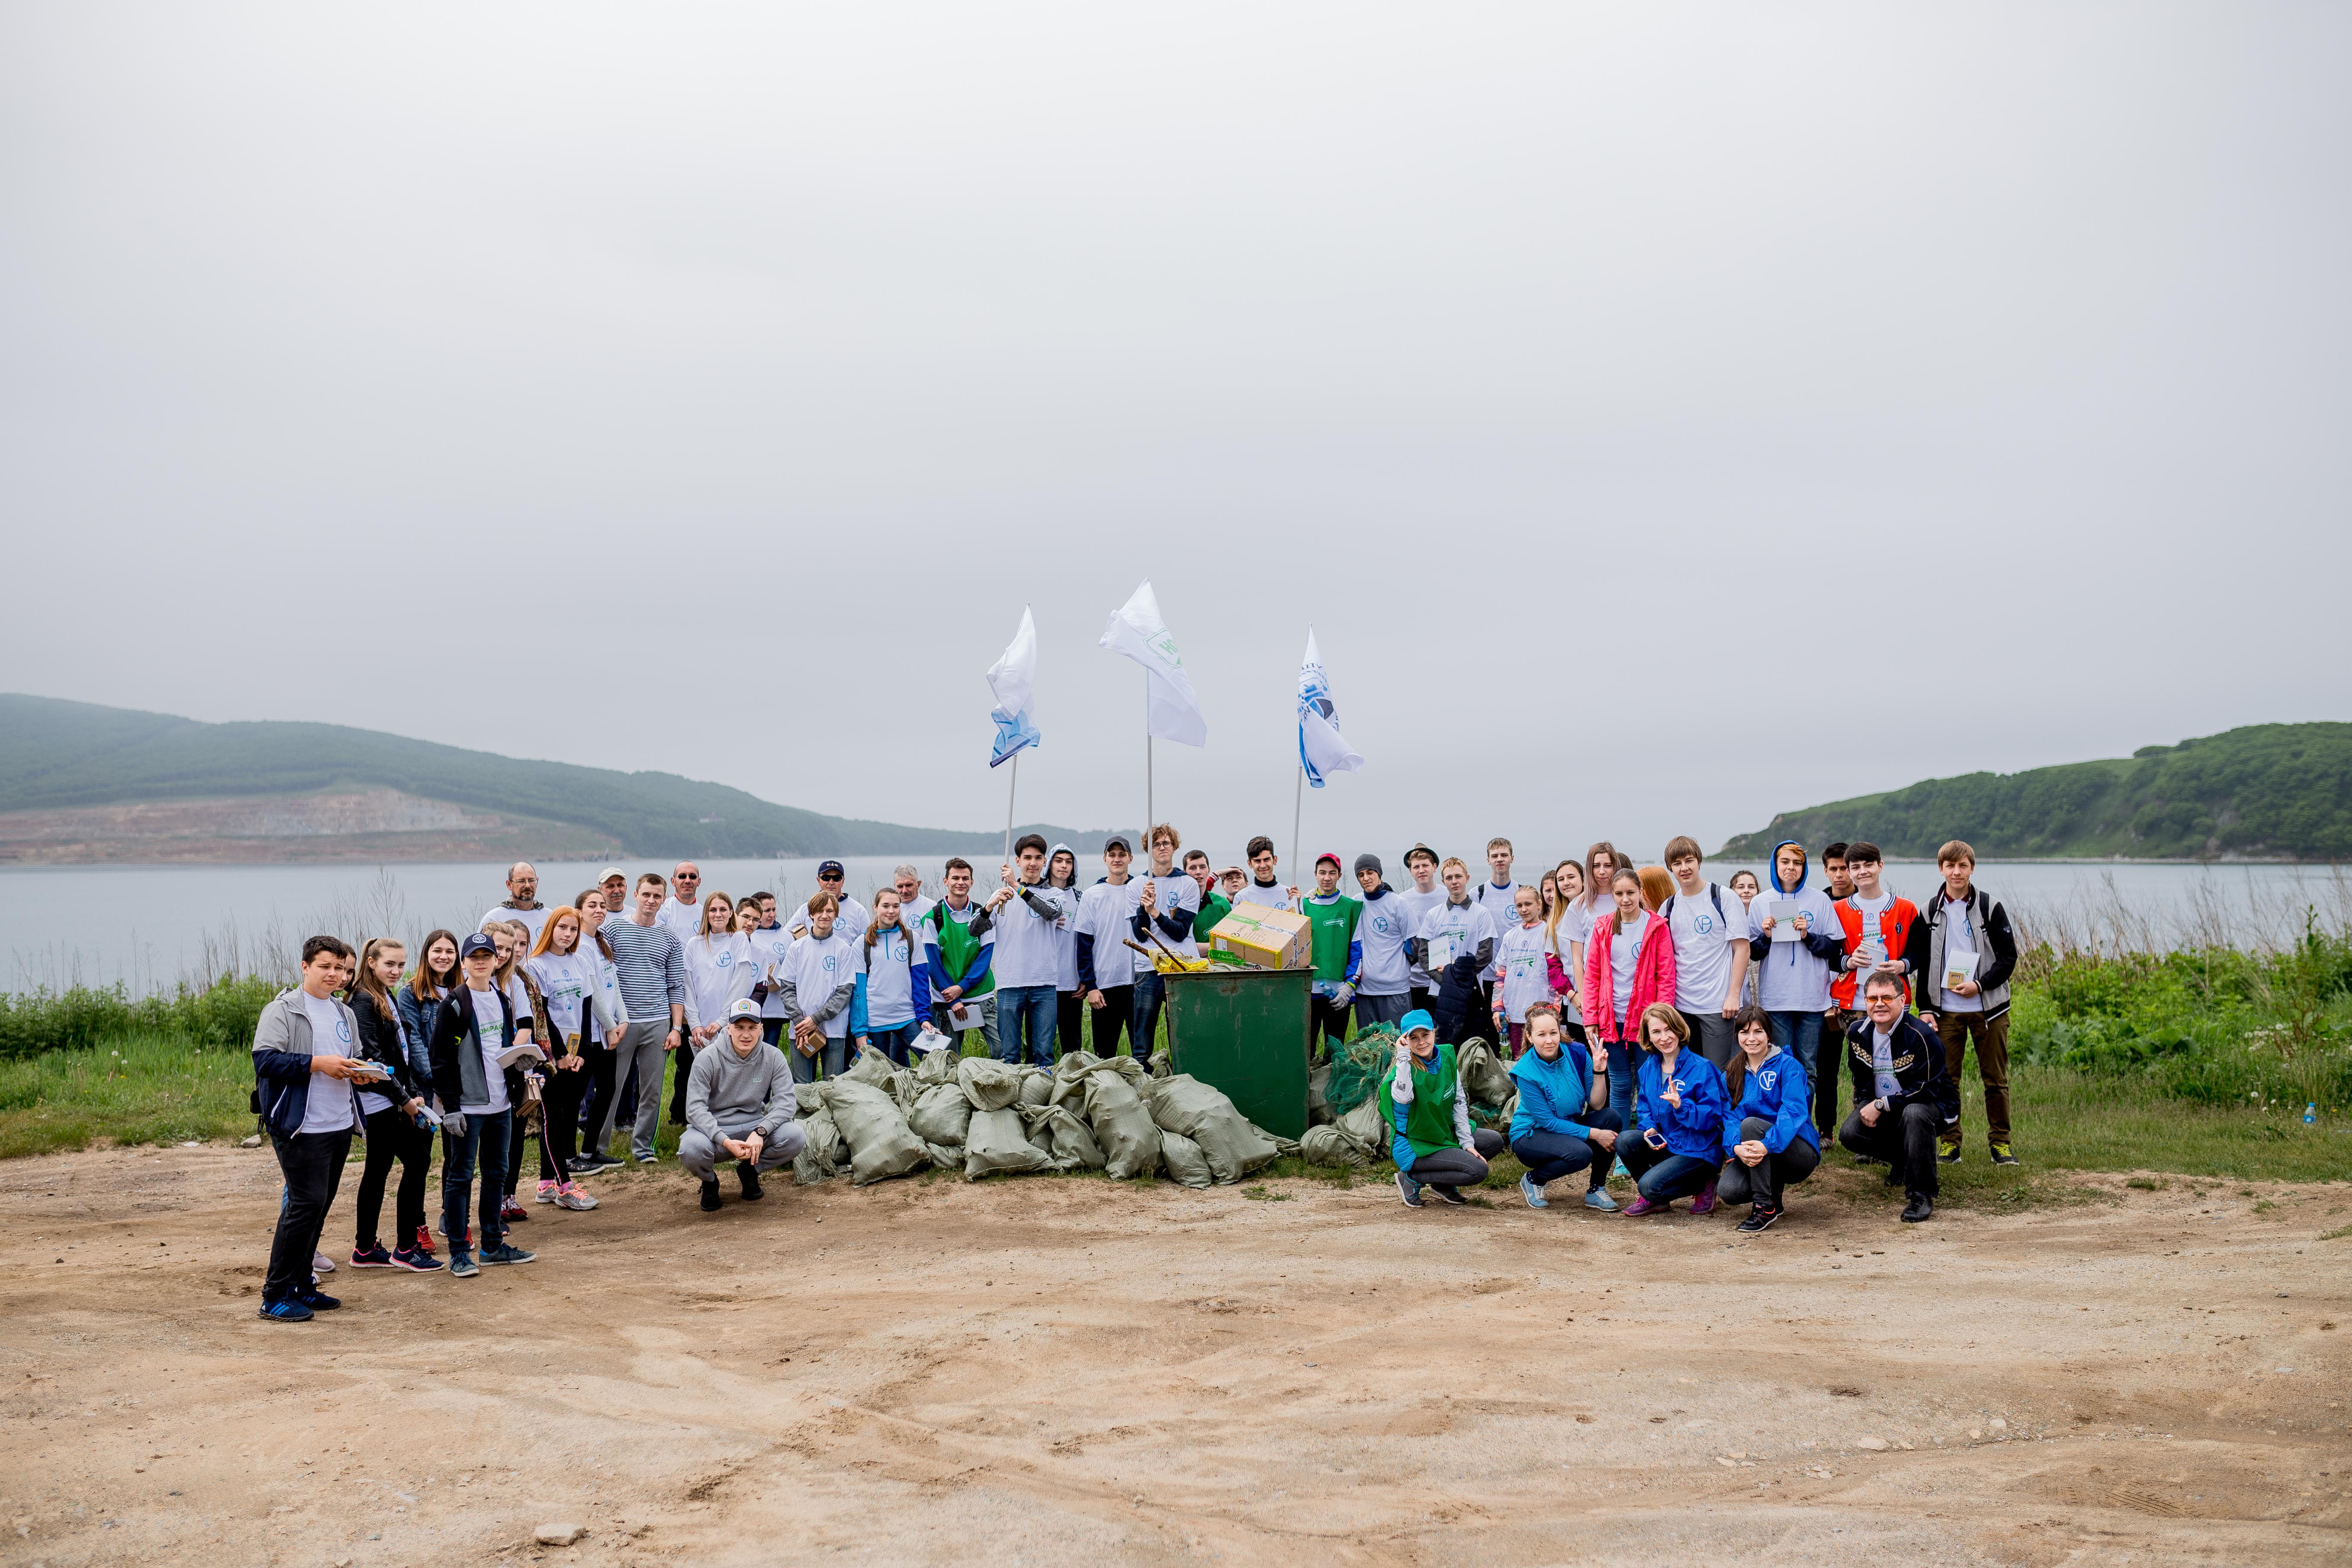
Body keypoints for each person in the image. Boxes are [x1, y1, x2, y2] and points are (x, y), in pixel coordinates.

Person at [250, 936, 368, 1320]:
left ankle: (303, 1285)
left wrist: (362, 1073)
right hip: (299, 1125)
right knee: (304, 1206)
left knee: (318, 1208)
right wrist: (319, 1064)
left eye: (341, 968)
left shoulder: (344, 1012)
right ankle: (274, 1293)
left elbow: (351, 1060)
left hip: (336, 1123)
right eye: (326, 967)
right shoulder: (282, 1010)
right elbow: (266, 1062)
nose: (334, 974)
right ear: (305, 967)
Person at [427, 933, 540, 1277]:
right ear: (463, 963)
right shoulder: (455, 1004)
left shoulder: (503, 999)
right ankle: (460, 1252)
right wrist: (452, 1107)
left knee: (496, 1175)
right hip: (469, 1106)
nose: (481, 962)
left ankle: (492, 1246)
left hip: (501, 1104)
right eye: (473, 957)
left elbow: (503, 1046)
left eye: (487, 956)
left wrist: (519, 1063)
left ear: (496, 961)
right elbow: (441, 1058)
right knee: (460, 1177)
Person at [1919, 840, 2021, 1166]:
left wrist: (1979, 984)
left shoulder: (1990, 907)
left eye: (1962, 865)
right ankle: (1950, 1143)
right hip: (1946, 1011)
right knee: (1946, 1082)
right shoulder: (1928, 910)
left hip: (1988, 1008)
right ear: (1941, 869)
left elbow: (2008, 958)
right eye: (1950, 866)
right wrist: (1925, 1008)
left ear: (1971, 868)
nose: (1956, 871)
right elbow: (1921, 962)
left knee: (1995, 1079)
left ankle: (2000, 1144)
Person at [346, 937, 440, 1270]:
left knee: (380, 1170)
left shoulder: (385, 995)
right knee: (416, 1160)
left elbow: (400, 1056)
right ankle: (405, 1248)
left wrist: (412, 1093)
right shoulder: (363, 1000)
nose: (397, 971)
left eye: (401, 965)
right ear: (371, 962)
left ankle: (366, 1248)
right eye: (389, 964)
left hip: (392, 1098)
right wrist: (405, 1101)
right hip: (377, 1102)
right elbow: (374, 1060)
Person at [1837, 971, 1959, 1223]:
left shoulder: (1922, 1036)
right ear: (1865, 1001)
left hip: (1933, 1107)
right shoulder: (1857, 1033)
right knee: (1850, 1133)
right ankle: (1903, 1161)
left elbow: (1927, 1090)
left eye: (1887, 998)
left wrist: (1882, 1104)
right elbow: (1859, 1077)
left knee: (1914, 1113)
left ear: (1902, 1000)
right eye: (1873, 998)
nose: (1879, 1004)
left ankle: (1921, 1195)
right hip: (1886, 1106)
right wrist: (1866, 1103)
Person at [1745, 840, 1845, 1142]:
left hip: (1812, 998)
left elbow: (1834, 948)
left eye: (1797, 863)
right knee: (1780, 1066)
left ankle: (1802, 1130)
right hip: (1776, 999)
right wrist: (1764, 935)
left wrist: (1807, 934)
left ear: (1805, 867)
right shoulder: (1761, 902)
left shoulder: (1819, 901)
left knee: (1808, 1069)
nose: (1790, 867)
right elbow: (1752, 952)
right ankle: (1781, 1128)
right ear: (1775, 865)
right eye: (1784, 862)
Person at [593, 872, 689, 1165]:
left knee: (652, 1089)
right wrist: (610, 1023)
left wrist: (676, 1027)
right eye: (646, 894)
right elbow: (603, 977)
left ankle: (644, 1148)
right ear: (636, 894)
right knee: (611, 1087)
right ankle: (596, 1148)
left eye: (657, 896)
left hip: (658, 1022)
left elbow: (676, 985)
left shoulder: (670, 937)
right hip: (621, 1024)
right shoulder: (612, 930)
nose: (651, 900)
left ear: (663, 899)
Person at [523, 907, 616, 1210]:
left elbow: (586, 1008)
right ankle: (563, 1186)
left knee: (568, 1117)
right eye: (562, 927)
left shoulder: (580, 960)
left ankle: (546, 1183)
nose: (568, 934)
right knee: (554, 1117)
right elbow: (543, 1015)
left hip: (578, 1054)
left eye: (573, 929)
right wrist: (560, 1054)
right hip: (551, 1055)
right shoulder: (536, 965)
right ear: (550, 928)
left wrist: (583, 1053)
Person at [683, 999, 807, 1212]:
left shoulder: (774, 1056)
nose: (746, 1035)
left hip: (754, 1127)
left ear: (761, 1029)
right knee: (690, 1148)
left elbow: (786, 1103)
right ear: (728, 1029)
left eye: (752, 1028)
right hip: (715, 1131)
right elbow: (694, 1109)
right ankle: (710, 1182)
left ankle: (750, 1171)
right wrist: (724, 1141)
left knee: (796, 1136)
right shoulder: (706, 1059)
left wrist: (761, 1131)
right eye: (739, 1027)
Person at [1581, 867, 1676, 1131]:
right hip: (1612, 1020)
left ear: (1641, 892)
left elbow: (1666, 975)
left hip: (1647, 1022)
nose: (1626, 899)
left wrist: (1661, 1019)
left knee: (1650, 1082)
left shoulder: (1656, 926)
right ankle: (1622, 1145)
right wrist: (1590, 1018)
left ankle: (1652, 1138)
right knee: (1621, 1083)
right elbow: (1592, 976)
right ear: (1612, 895)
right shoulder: (1603, 927)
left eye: (1631, 893)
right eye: (1619, 894)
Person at [1382, 1009, 1506, 1208]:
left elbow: (1458, 1102)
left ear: (1434, 1032)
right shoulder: (1403, 1068)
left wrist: (1467, 1144)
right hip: (1415, 1143)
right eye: (1413, 1038)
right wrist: (1403, 1057)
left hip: (1442, 1132)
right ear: (1405, 1041)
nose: (1421, 1042)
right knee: (1477, 1170)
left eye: (1425, 1035)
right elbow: (1404, 1099)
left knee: (1493, 1141)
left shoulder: (1447, 1056)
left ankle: (1443, 1184)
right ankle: (1411, 1178)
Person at [1615, 1004, 1730, 1216]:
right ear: (1648, 1037)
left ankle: (1705, 1183)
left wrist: (1681, 1106)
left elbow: (1713, 1117)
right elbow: (1644, 1108)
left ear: (1679, 1029)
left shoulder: (1701, 1068)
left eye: (1669, 1029)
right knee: (1625, 1140)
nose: (1664, 1038)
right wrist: (1649, 1128)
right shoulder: (1649, 1067)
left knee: (1649, 1186)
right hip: (1668, 1143)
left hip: (1698, 1150)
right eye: (1657, 1032)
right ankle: (1656, 1200)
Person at [1506, 1001, 1621, 1211]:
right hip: (1530, 1135)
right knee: (1581, 1154)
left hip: (1567, 1125)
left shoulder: (1577, 1053)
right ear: (1530, 1038)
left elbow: (1596, 1104)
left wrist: (1599, 1072)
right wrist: (1595, 1134)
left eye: (1553, 1033)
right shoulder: (1525, 1071)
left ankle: (1596, 1189)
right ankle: (1534, 1179)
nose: (1549, 1041)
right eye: (1541, 1035)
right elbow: (1548, 1123)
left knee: (1611, 1117)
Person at [1716, 1004, 1819, 1231]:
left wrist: (1767, 1144)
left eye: (1758, 1032)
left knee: (1751, 1124)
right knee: (1729, 1191)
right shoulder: (1731, 1074)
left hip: (1798, 1151)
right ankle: (1775, 1196)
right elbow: (1728, 1117)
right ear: (1737, 1036)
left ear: (1769, 1034)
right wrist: (1735, 1148)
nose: (1751, 1038)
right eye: (1744, 1032)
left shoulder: (1789, 1066)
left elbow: (1793, 1112)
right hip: (1757, 1149)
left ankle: (1764, 1207)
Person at [1660, 835, 1751, 1071]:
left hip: (1717, 1005)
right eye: (1677, 863)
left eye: (1689, 861)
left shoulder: (1723, 898)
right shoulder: (1668, 907)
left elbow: (1742, 947)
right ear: (1671, 868)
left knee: (1717, 1073)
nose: (1684, 868)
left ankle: (1721, 1111)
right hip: (1681, 1006)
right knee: (1686, 1073)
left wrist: (1734, 995)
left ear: (1699, 862)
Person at [986, 834, 1069, 1066]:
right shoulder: (1001, 895)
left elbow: (1051, 913)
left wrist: (1017, 887)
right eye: (1027, 858)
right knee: (1010, 1056)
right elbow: (976, 929)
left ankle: (1042, 1099)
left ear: (1045, 862)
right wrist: (991, 905)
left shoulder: (1054, 893)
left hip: (1044, 983)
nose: (1033, 863)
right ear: (1017, 861)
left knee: (1044, 1055)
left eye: (1038, 858)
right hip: (1009, 984)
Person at [677, 890, 755, 1123]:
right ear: (706, 914)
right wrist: (695, 1024)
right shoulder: (694, 944)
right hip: (700, 1028)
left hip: (726, 1025)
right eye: (713, 910)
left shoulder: (738, 939)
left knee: (728, 1076)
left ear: (731, 913)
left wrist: (722, 1021)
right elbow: (688, 986)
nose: (718, 914)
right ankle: (699, 1123)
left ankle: (730, 1122)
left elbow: (741, 982)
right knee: (700, 1077)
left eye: (723, 909)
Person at [565, 890, 628, 1173]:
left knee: (608, 1089)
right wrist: (611, 1026)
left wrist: (623, 1020)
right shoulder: (579, 946)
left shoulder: (602, 943)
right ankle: (568, 1157)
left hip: (608, 1032)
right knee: (575, 1094)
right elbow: (592, 993)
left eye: (603, 905)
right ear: (579, 911)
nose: (599, 909)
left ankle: (590, 1152)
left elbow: (613, 986)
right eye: (592, 905)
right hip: (587, 1035)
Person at [1829, 842, 1922, 1021]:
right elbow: (1829, 956)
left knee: (1897, 1049)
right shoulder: (1838, 910)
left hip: (1894, 1000)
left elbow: (1919, 953)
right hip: (1854, 1002)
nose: (1863, 871)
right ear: (1849, 872)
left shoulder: (1905, 908)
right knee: (1859, 1051)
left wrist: (1902, 965)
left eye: (1869, 865)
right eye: (1856, 867)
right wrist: (1849, 961)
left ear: (1880, 866)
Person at [1411, 856, 1498, 1048]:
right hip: (1440, 992)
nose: (1454, 881)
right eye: (1449, 878)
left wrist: (1459, 978)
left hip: (1472, 991)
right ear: (1444, 882)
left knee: (1472, 1047)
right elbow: (1424, 956)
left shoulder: (1481, 913)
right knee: (1445, 1047)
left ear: (1467, 878)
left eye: (1458, 876)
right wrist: (1448, 980)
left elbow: (1486, 954)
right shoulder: (1434, 914)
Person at [1131, 824, 1199, 1052]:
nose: (1162, 848)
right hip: (1148, 967)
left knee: (1183, 1031)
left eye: (1166, 843)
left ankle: (1183, 1075)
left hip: (1181, 965)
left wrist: (1154, 912)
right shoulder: (1135, 886)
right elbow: (1138, 935)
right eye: (1156, 844)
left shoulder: (1187, 884)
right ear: (1148, 849)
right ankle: (1141, 1076)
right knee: (1142, 1035)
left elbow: (1180, 932)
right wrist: (1143, 907)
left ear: (1174, 847)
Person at [778, 892, 858, 1081]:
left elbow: (844, 993)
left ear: (836, 915)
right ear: (811, 914)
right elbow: (787, 989)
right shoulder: (797, 948)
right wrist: (800, 1021)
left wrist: (816, 1019)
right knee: (802, 1085)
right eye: (820, 911)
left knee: (832, 1086)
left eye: (830, 911)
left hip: (834, 1029)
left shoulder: (843, 949)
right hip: (800, 1030)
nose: (825, 915)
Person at [924, 857, 999, 1055]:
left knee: (1001, 1048)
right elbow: (933, 963)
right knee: (950, 1055)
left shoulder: (983, 914)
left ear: (972, 882)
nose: (960, 882)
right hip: (947, 997)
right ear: (946, 881)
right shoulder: (934, 917)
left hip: (980, 993)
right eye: (955, 878)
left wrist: (962, 987)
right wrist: (953, 998)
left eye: (965, 878)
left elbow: (985, 958)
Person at [850, 888, 931, 1065]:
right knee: (880, 1073)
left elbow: (921, 983)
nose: (891, 911)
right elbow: (858, 991)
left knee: (933, 1059)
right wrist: (860, 1032)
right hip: (875, 1020)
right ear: (875, 907)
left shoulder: (912, 938)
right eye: (885, 906)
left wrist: (924, 1018)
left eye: (896, 906)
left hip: (907, 1017)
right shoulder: (862, 943)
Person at [1075, 837, 1140, 1058]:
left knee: (1142, 1052)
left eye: (1122, 855)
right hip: (1105, 986)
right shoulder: (1092, 895)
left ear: (1130, 858)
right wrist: (1091, 985)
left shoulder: (1140, 890)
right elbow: (1083, 946)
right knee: (1104, 1054)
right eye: (1112, 855)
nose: (1117, 859)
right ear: (1105, 859)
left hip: (1138, 982)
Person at [1301, 852, 1363, 1055]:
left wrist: (1349, 986)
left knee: (1335, 1053)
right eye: (1322, 873)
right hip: (1308, 992)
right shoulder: (1304, 905)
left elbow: (1357, 950)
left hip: (1338, 993)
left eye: (1332, 873)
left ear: (1339, 875)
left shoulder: (1351, 907)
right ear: (1315, 875)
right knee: (1306, 1051)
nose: (1327, 878)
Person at [1563, 842, 1624, 1038]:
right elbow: (1577, 957)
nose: (1602, 872)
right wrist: (1583, 996)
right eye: (1596, 866)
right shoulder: (1578, 905)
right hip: (1595, 986)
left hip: (1625, 983)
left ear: (1616, 866)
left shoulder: (1626, 899)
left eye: (1607, 865)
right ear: (1589, 869)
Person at [1351, 853, 1415, 1029]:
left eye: (1370, 872)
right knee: (1368, 1047)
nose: (1366, 878)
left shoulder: (1398, 903)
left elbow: (1413, 946)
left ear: (1379, 873)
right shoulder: (1356, 903)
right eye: (1361, 875)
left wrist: (1396, 969)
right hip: (1365, 990)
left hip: (1395, 989)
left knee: (1397, 1045)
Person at [1491, 885, 1549, 1054]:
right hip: (1514, 1014)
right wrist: (1498, 1008)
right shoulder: (1510, 936)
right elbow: (1500, 976)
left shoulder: (1549, 933)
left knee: (1544, 1059)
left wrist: (1554, 1008)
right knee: (1519, 1060)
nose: (1524, 909)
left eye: (1528, 904)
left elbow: (1555, 975)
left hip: (1541, 1013)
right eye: (1519, 905)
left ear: (1539, 904)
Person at [1542, 859, 1589, 1043]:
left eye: (1571, 877)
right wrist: (1573, 996)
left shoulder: (1595, 914)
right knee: (1582, 1055)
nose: (1566, 883)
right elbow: (1554, 967)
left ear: (1584, 880)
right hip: (1574, 1002)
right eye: (1561, 879)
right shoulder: (1555, 922)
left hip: (1602, 997)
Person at [1472, 838, 1520, 1017]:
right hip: (1485, 975)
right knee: (1488, 1032)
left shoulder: (1520, 892)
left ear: (1512, 858)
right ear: (1488, 860)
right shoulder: (1477, 894)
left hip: (1514, 975)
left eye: (1504, 855)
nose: (1500, 859)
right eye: (1495, 856)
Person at [1398, 844, 1445, 1015]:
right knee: (1418, 1032)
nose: (1421, 870)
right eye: (1416, 867)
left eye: (1425, 865)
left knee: (1443, 1032)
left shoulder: (1448, 896)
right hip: (1414, 980)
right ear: (1411, 872)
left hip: (1443, 978)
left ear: (1434, 867)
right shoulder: (1402, 900)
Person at [746, 888, 796, 1048]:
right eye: (767, 911)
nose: (772, 914)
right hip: (755, 1003)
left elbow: (792, 965)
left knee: (770, 1048)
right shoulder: (748, 935)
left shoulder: (785, 935)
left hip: (776, 1006)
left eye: (774, 910)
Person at [1047, 845, 1085, 1055]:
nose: (1064, 866)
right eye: (1058, 861)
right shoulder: (1039, 896)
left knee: (1072, 1044)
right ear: (1050, 864)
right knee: (1041, 1042)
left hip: (1072, 982)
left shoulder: (1080, 898)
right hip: (1044, 982)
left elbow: (1088, 940)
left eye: (1068, 862)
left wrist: (1086, 976)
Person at [789, 861, 871, 941]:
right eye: (826, 878)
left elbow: (868, 941)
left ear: (843, 881)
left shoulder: (859, 911)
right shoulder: (806, 908)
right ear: (818, 880)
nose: (831, 883)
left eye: (836, 878)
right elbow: (786, 936)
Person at [480, 861, 550, 944]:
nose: (527, 885)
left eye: (531, 881)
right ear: (509, 885)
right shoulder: (495, 919)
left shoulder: (549, 917)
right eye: (521, 881)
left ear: (537, 882)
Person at [1728, 870, 1763, 1007]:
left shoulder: (1764, 919)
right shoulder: (1726, 921)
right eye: (1741, 887)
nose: (1747, 891)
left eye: (1751, 887)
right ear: (1732, 891)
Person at [1235, 836, 1296, 910]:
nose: (1263, 866)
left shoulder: (1290, 895)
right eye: (1257, 861)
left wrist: (1298, 902)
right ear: (1250, 864)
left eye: (1266, 860)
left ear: (1275, 860)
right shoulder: (1242, 898)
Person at [658, 863, 705, 943]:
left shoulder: (705, 914)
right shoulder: (662, 910)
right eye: (682, 877)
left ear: (699, 881)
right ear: (673, 881)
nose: (687, 881)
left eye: (693, 877)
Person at [891, 864, 934, 929]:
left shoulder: (931, 908)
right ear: (895, 886)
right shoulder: (887, 909)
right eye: (900, 886)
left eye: (909, 885)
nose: (904, 891)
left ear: (918, 884)